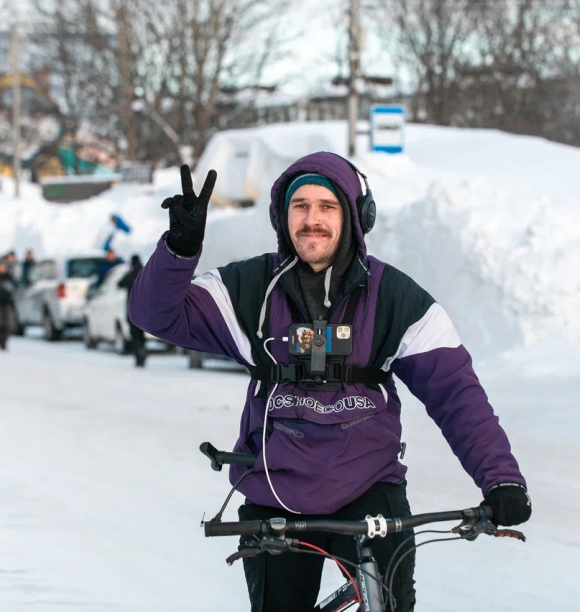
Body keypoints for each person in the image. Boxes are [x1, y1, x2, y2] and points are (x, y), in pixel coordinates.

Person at [128, 156, 531, 611]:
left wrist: (501, 481)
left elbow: (456, 395)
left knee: (390, 605)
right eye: (299, 206)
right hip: (275, 487)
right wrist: (180, 249)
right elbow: (153, 315)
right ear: (282, 217)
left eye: (327, 206)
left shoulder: (394, 297)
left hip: (368, 486)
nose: (312, 220)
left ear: (356, 216)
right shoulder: (249, 287)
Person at [117, 254, 147, 367]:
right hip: (145, 310)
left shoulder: (130, 275)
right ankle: (142, 350)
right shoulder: (145, 274)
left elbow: (119, 284)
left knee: (134, 334)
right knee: (141, 333)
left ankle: (139, 354)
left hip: (132, 310)